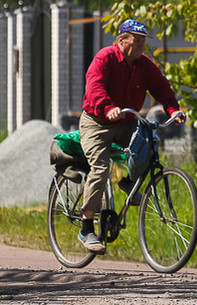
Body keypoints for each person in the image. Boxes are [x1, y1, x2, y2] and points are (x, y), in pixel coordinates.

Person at [78, 19, 186, 253]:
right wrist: (108, 107)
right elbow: (94, 87)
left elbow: (161, 87)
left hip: (126, 123)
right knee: (100, 168)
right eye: (136, 41)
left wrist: (173, 109)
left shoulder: (144, 65)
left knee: (147, 143)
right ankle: (86, 228)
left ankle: (127, 181)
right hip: (97, 123)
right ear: (121, 40)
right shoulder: (105, 58)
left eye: (143, 42)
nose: (140, 46)